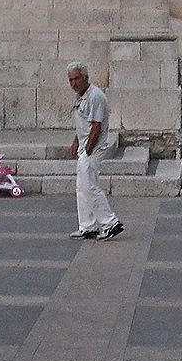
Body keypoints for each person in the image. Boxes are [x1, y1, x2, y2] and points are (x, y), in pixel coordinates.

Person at [67, 62, 122, 241]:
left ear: (86, 78)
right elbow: (82, 124)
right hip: (85, 146)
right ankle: (87, 226)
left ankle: (110, 223)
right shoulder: (81, 97)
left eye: (76, 79)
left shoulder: (95, 96)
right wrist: (76, 142)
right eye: (71, 80)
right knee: (82, 187)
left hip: (93, 148)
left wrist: (88, 151)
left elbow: (96, 126)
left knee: (89, 186)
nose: (74, 83)